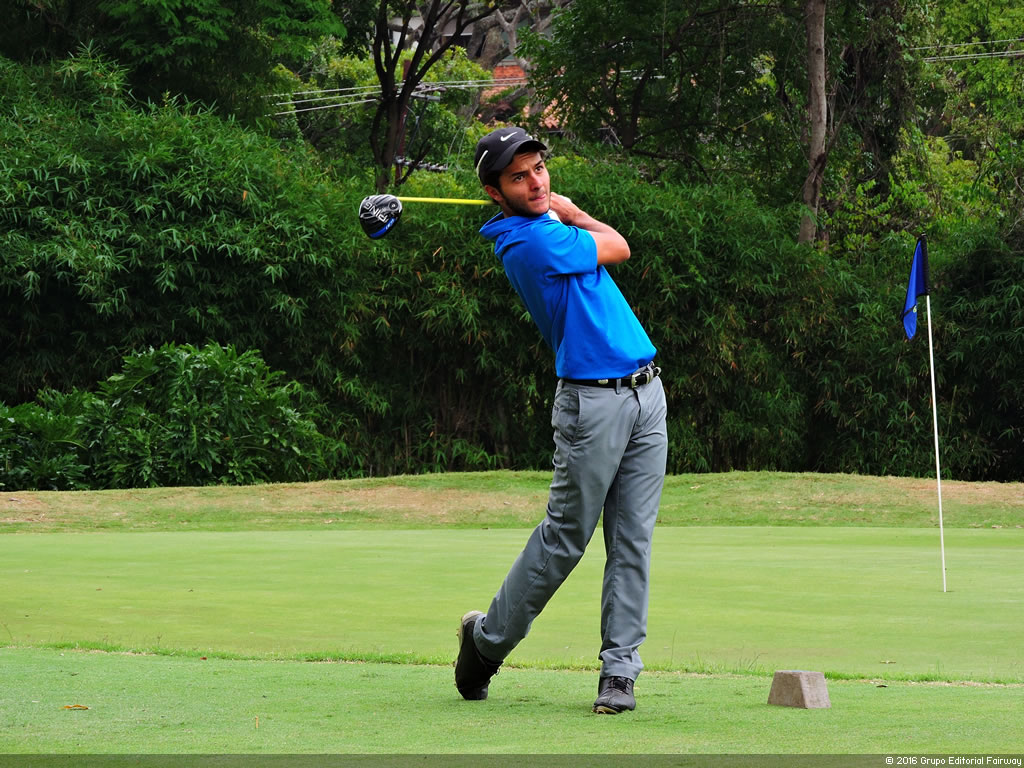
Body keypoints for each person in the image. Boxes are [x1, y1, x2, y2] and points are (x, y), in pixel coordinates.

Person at [454, 126, 669, 714]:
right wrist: (573, 213)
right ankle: (485, 645)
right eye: (517, 177)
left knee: (633, 541)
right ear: (495, 192)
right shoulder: (529, 241)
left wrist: (558, 213)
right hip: (591, 403)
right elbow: (619, 246)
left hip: (646, 392)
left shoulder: (544, 225)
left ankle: (620, 672)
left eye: (538, 170)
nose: (535, 182)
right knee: (565, 539)